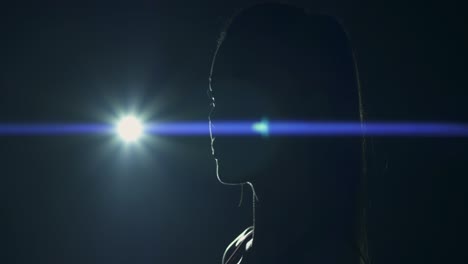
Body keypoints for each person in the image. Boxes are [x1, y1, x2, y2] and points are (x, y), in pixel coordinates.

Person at [209, 3, 369, 264]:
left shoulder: (326, 257)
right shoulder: (238, 250)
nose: (215, 118)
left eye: (237, 99)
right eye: (215, 98)